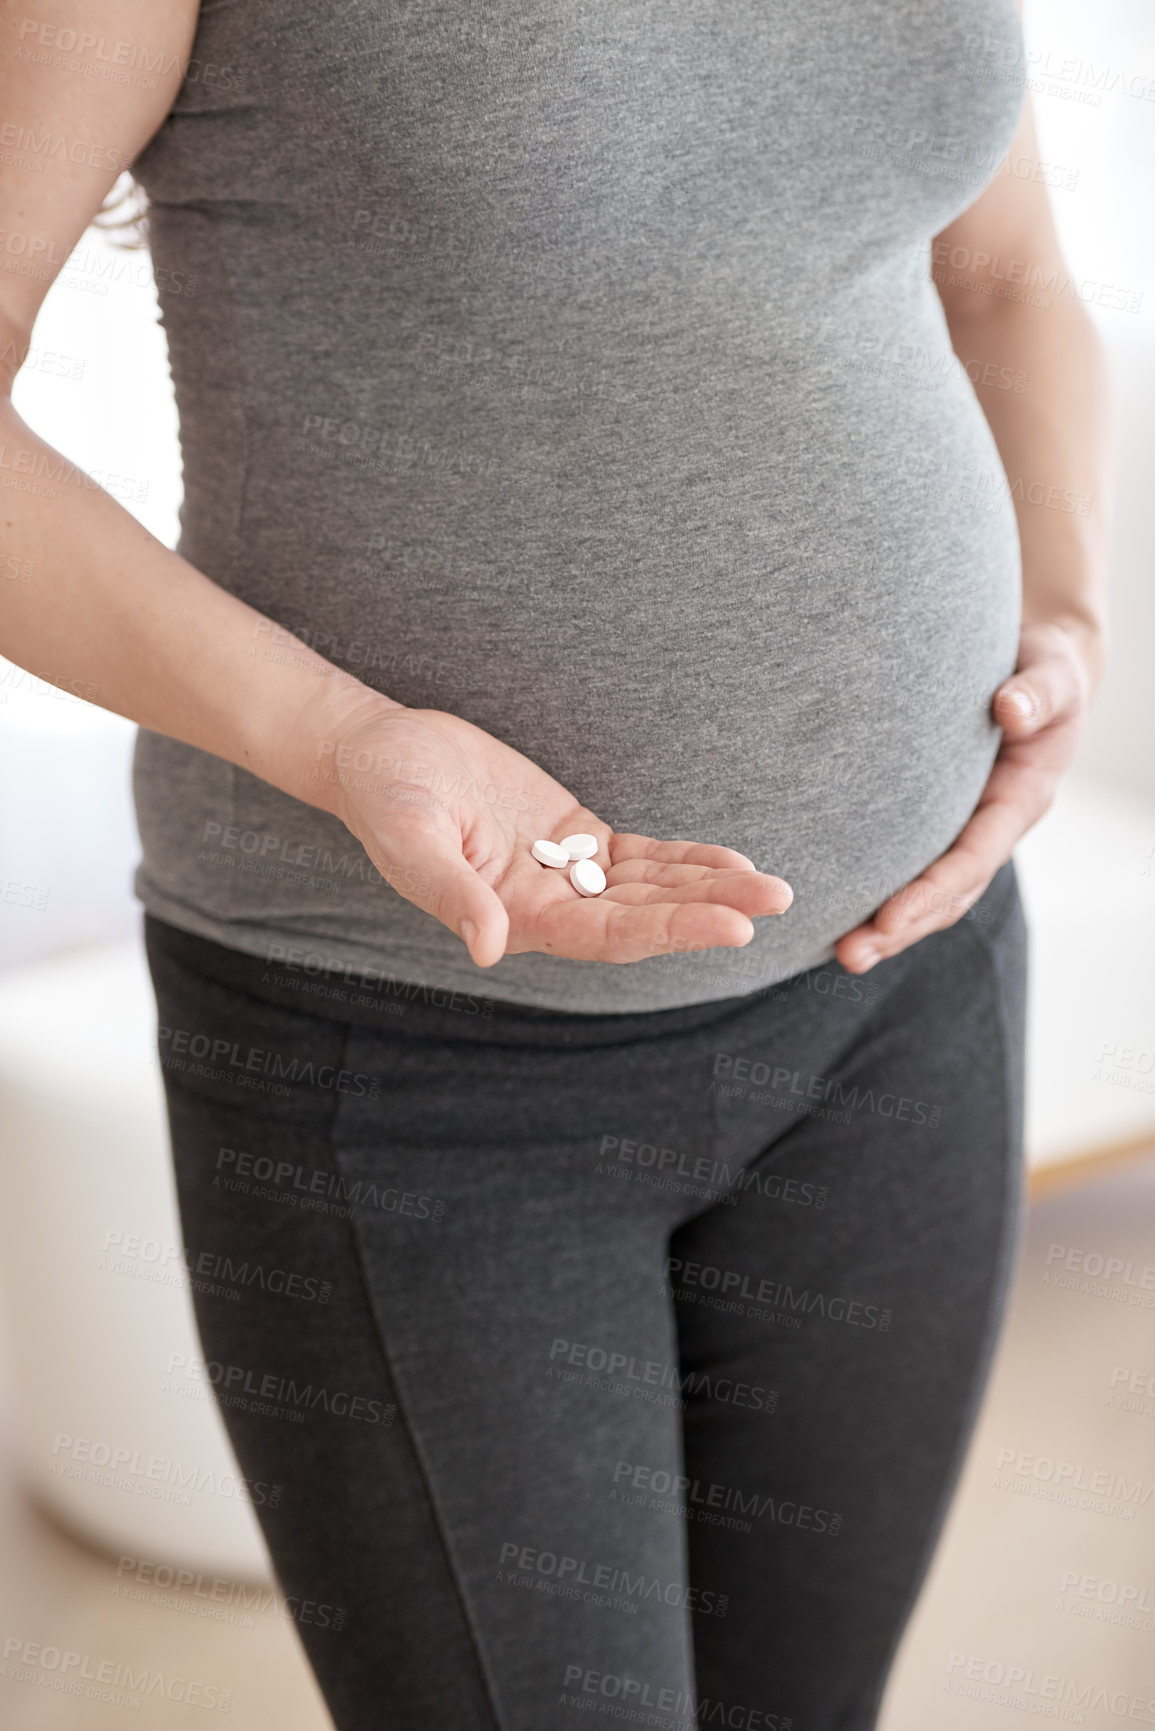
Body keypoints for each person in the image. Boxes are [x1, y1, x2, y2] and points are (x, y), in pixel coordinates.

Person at [0, 1, 1110, 1726]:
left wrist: (1067, 612)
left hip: (910, 981)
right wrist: (332, 738)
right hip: (421, 1063)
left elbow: (1006, 279)